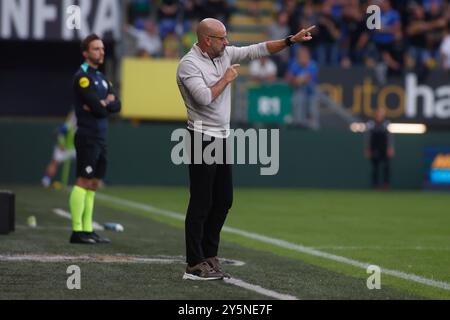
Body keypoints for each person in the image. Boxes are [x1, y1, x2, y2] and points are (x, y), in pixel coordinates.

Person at [176, 18, 314, 280]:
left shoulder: (224, 53)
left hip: (222, 136)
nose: (227, 43)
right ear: (207, 40)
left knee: (224, 200)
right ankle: (194, 263)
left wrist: (289, 41)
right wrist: (227, 78)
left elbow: (259, 49)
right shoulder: (188, 65)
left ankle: (209, 255)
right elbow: (204, 98)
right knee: (201, 201)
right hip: (200, 137)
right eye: (222, 38)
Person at [69, 34, 121, 244]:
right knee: (83, 180)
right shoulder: (82, 77)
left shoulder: (102, 78)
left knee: (93, 183)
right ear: (86, 53)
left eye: (102, 48)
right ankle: (76, 231)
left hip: (101, 137)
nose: (101, 52)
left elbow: (118, 105)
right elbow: (100, 110)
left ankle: (88, 228)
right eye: (96, 49)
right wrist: (104, 104)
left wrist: (104, 104)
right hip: (87, 135)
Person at [286, 46, 319, 129]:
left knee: (313, 111)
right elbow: (289, 78)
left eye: (305, 54)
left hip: (311, 93)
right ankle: (298, 125)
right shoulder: (295, 64)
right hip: (299, 92)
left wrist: (297, 79)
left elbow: (307, 78)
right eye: (301, 54)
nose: (303, 56)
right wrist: (298, 80)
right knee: (297, 103)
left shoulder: (312, 64)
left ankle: (313, 128)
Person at [42, 111, 77, 188]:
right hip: (63, 149)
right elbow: (59, 133)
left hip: (74, 149)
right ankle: (46, 180)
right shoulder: (68, 125)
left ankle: (91, 180)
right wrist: (61, 144)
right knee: (55, 162)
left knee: (86, 162)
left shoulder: (82, 126)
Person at [365, 108, 395, 190]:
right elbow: (368, 137)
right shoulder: (371, 124)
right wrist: (368, 148)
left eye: (381, 114)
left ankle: (386, 184)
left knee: (386, 167)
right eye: (378, 114)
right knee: (375, 167)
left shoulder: (386, 123)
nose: (380, 115)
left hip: (384, 148)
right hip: (375, 148)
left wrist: (390, 148)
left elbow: (390, 137)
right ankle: (375, 185)